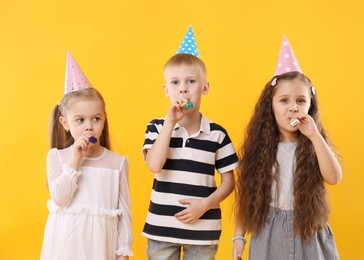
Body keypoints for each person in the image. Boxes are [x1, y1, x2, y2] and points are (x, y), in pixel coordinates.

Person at [232, 35, 342, 260]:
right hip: (268, 233)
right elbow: (247, 196)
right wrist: (239, 238)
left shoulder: (313, 144)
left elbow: (334, 177)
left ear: (310, 107)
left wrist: (314, 136)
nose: (293, 107)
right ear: (270, 106)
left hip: (308, 233)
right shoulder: (259, 150)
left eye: (300, 101)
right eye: (284, 100)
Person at [142, 26, 239, 260]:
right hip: (162, 230)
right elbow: (155, 165)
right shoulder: (156, 127)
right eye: (175, 82)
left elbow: (229, 181)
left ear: (204, 88)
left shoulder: (217, 134)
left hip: (203, 232)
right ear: (166, 90)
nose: (183, 88)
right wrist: (169, 124)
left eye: (191, 81)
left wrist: (205, 204)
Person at [41, 52, 133, 260]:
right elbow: (61, 199)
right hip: (66, 247)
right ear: (65, 123)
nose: (89, 127)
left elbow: (124, 212)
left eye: (96, 119)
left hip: (102, 247)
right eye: (80, 120)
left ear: (104, 118)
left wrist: (123, 251)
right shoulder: (57, 157)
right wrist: (75, 160)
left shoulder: (117, 162)